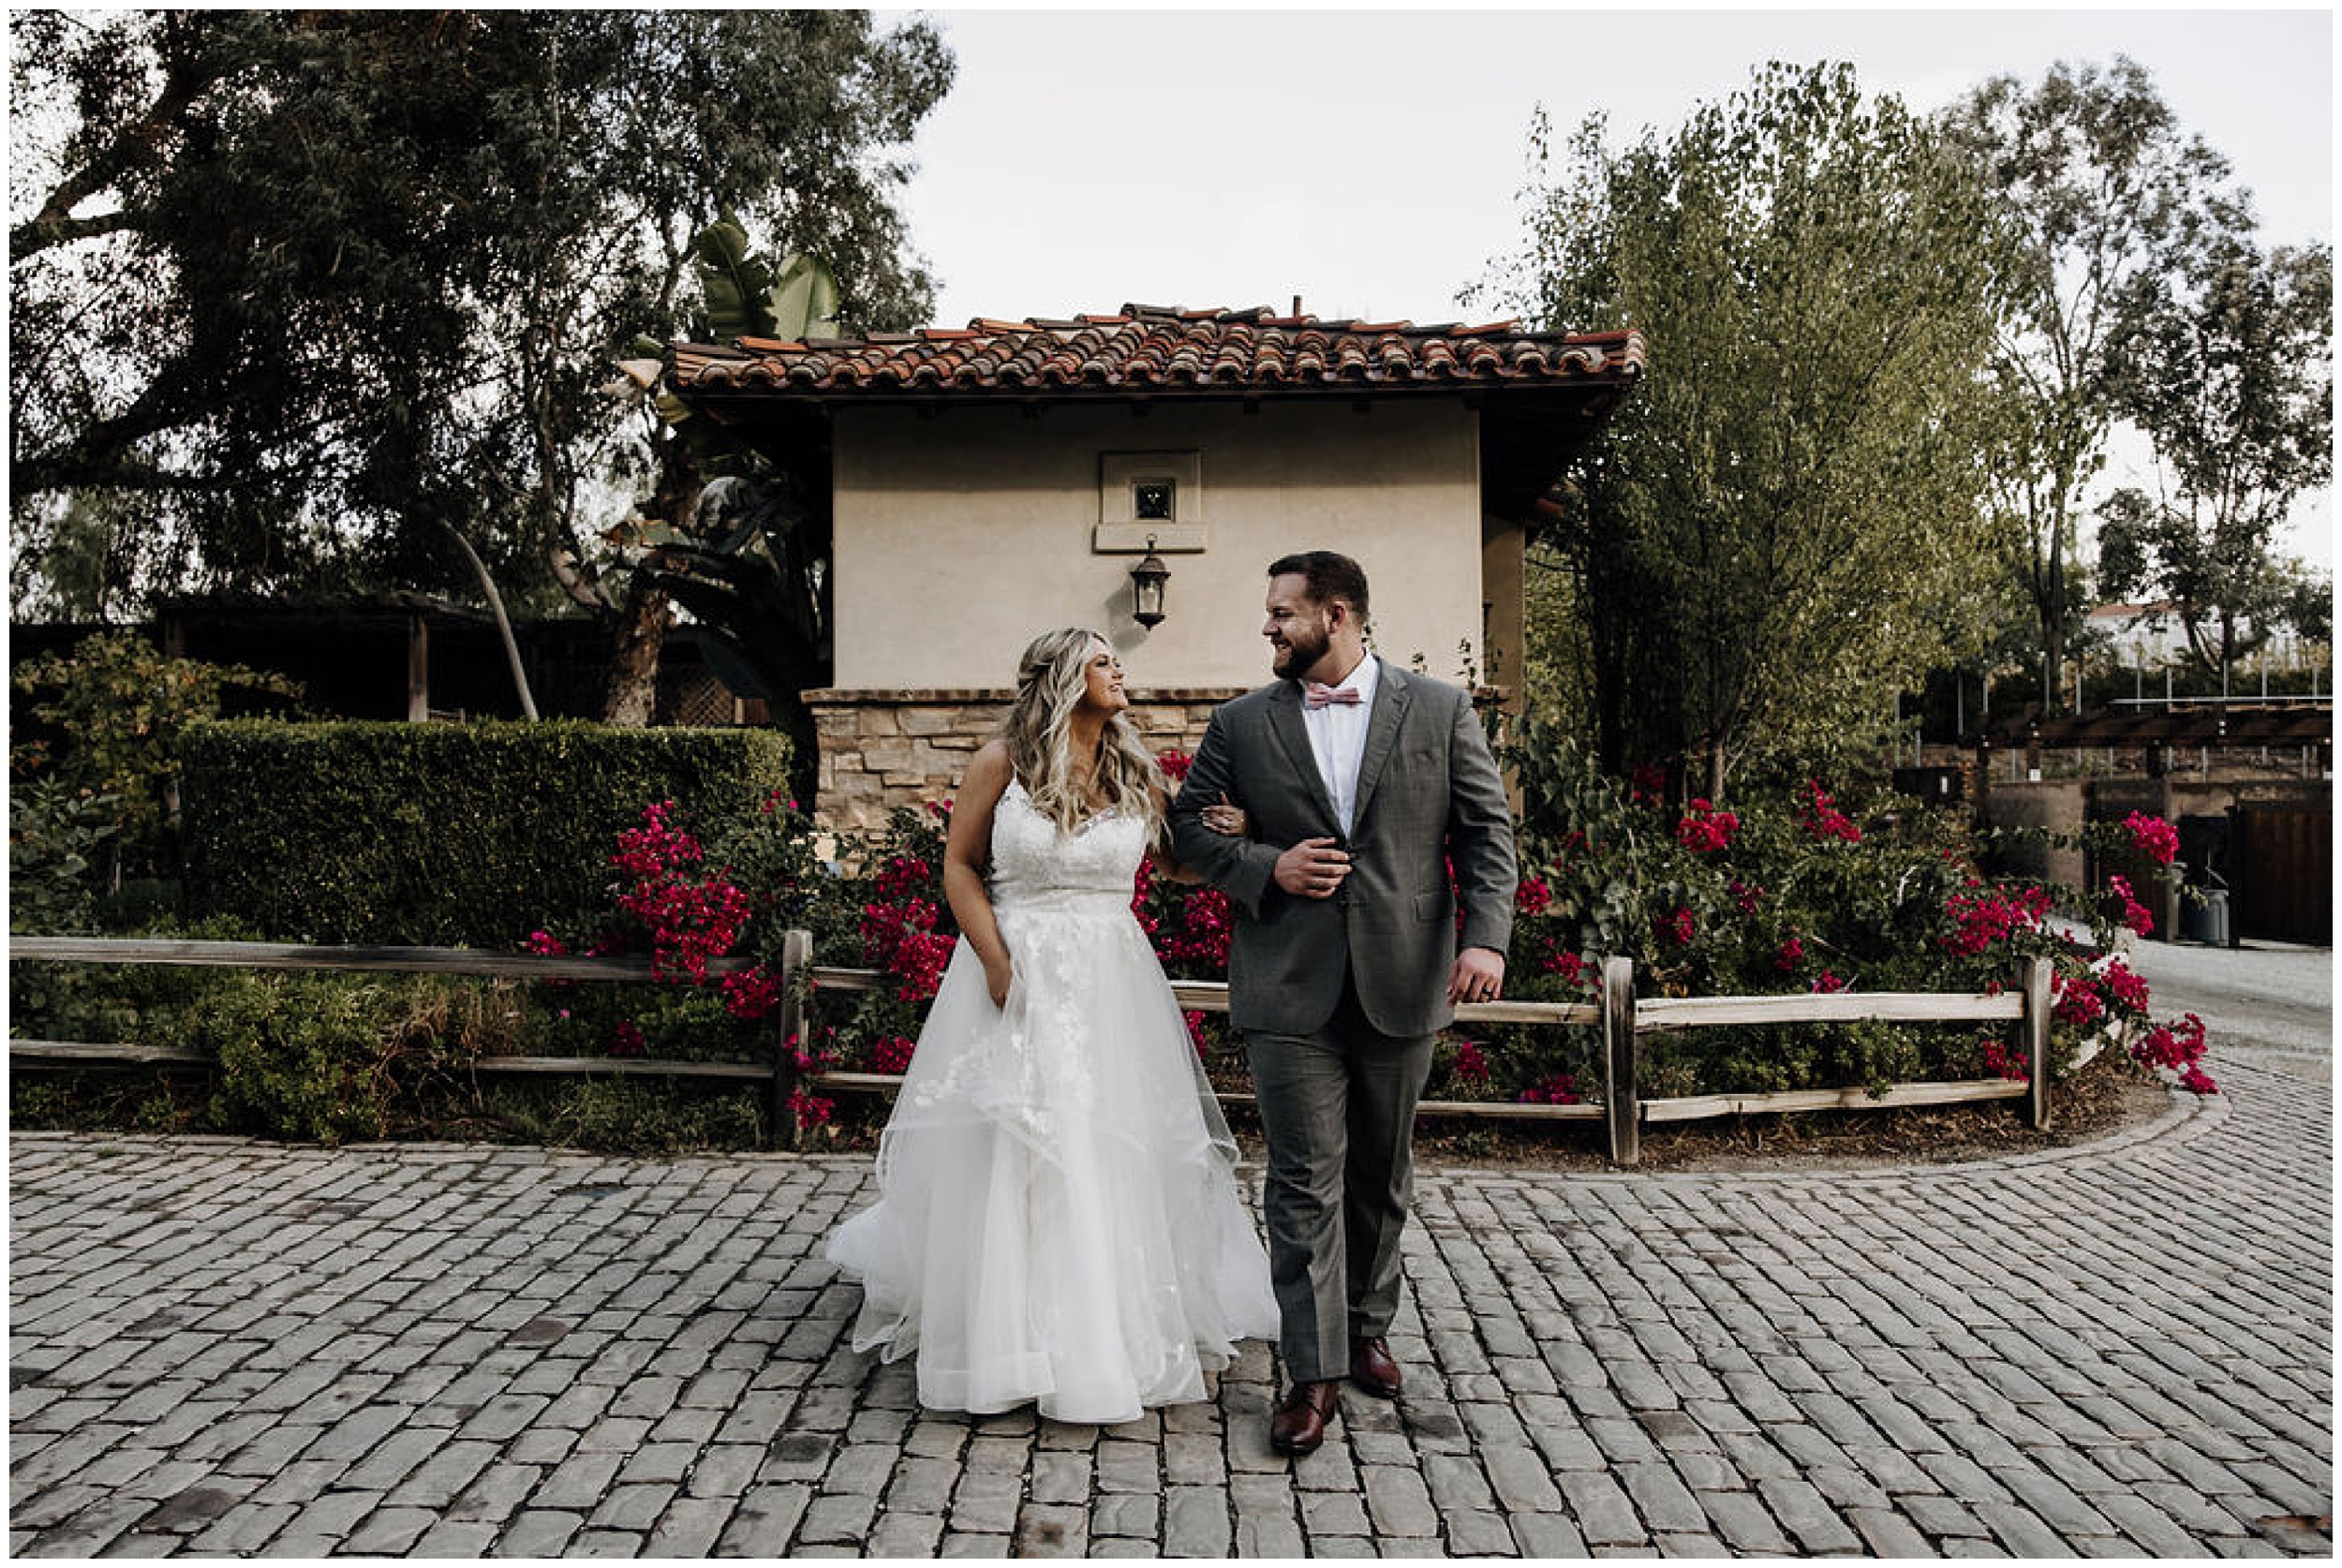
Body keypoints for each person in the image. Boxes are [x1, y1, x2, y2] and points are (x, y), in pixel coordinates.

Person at [825, 628, 1278, 1424]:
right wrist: (998, 963)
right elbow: (960, 867)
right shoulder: (1002, 762)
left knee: (1104, 1144)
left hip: (1109, 978)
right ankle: (1008, 1334)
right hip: (1018, 967)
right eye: (1105, 661)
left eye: (1116, 660)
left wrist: (1231, 838)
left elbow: (1174, 862)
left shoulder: (1135, 768)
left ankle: (1098, 1331)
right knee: (1018, 1147)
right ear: (1065, 676)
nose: (1120, 672)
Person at [1168, 550, 1518, 1457]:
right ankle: (1311, 1370)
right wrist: (1264, 866)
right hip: (1287, 982)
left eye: (1282, 613)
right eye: (1269, 613)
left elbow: (1486, 831)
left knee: (1380, 1174)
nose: (1268, 627)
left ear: (1337, 614)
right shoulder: (1241, 723)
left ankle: (1366, 1327)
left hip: (1405, 974)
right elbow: (1183, 828)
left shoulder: (1439, 710)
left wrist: (1485, 937)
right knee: (1300, 1182)